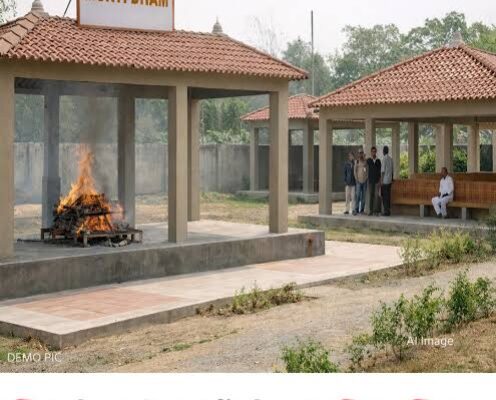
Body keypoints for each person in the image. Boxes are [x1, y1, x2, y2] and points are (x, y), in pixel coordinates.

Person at [367, 146, 382, 216]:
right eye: (372, 151)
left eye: (374, 151)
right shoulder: (368, 161)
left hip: (376, 181)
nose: (373, 153)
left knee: (376, 196)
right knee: (371, 195)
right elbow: (365, 168)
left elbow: (380, 171)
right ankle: (371, 210)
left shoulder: (378, 161)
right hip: (370, 181)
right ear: (371, 152)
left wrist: (380, 180)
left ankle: (376, 211)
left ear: (376, 152)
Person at [380, 145, 394, 216]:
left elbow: (382, 171)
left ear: (383, 151)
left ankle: (386, 211)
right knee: (388, 196)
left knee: (385, 196)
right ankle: (388, 210)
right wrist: (392, 179)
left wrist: (381, 181)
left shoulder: (384, 159)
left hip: (385, 181)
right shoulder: (391, 159)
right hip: (389, 181)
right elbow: (392, 170)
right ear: (387, 151)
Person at [354, 150, 368, 215]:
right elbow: (354, 171)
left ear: (363, 154)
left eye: (361, 153)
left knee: (364, 197)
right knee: (358, 196)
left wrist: (366, 178)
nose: (361, 155)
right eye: (359, 153)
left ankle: (362, 210)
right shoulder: (356, 161)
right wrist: (356, 179)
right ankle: (356, 209)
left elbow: (367, 170)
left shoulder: (365, 162)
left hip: (364, 181)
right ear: (358, 154)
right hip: (358, 182)